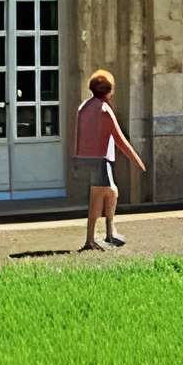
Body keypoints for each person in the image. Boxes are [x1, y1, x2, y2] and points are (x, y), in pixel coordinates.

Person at [71, 69, 145, 251]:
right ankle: (99, 237)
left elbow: (79, 135)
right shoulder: (104, 110)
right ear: (109, 91)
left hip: (87, 158)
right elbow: (120, 139)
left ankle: (105, 233)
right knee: (108, 193)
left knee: (100, 197)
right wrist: (137, 161)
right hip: (100, 159)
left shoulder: (85, 107)